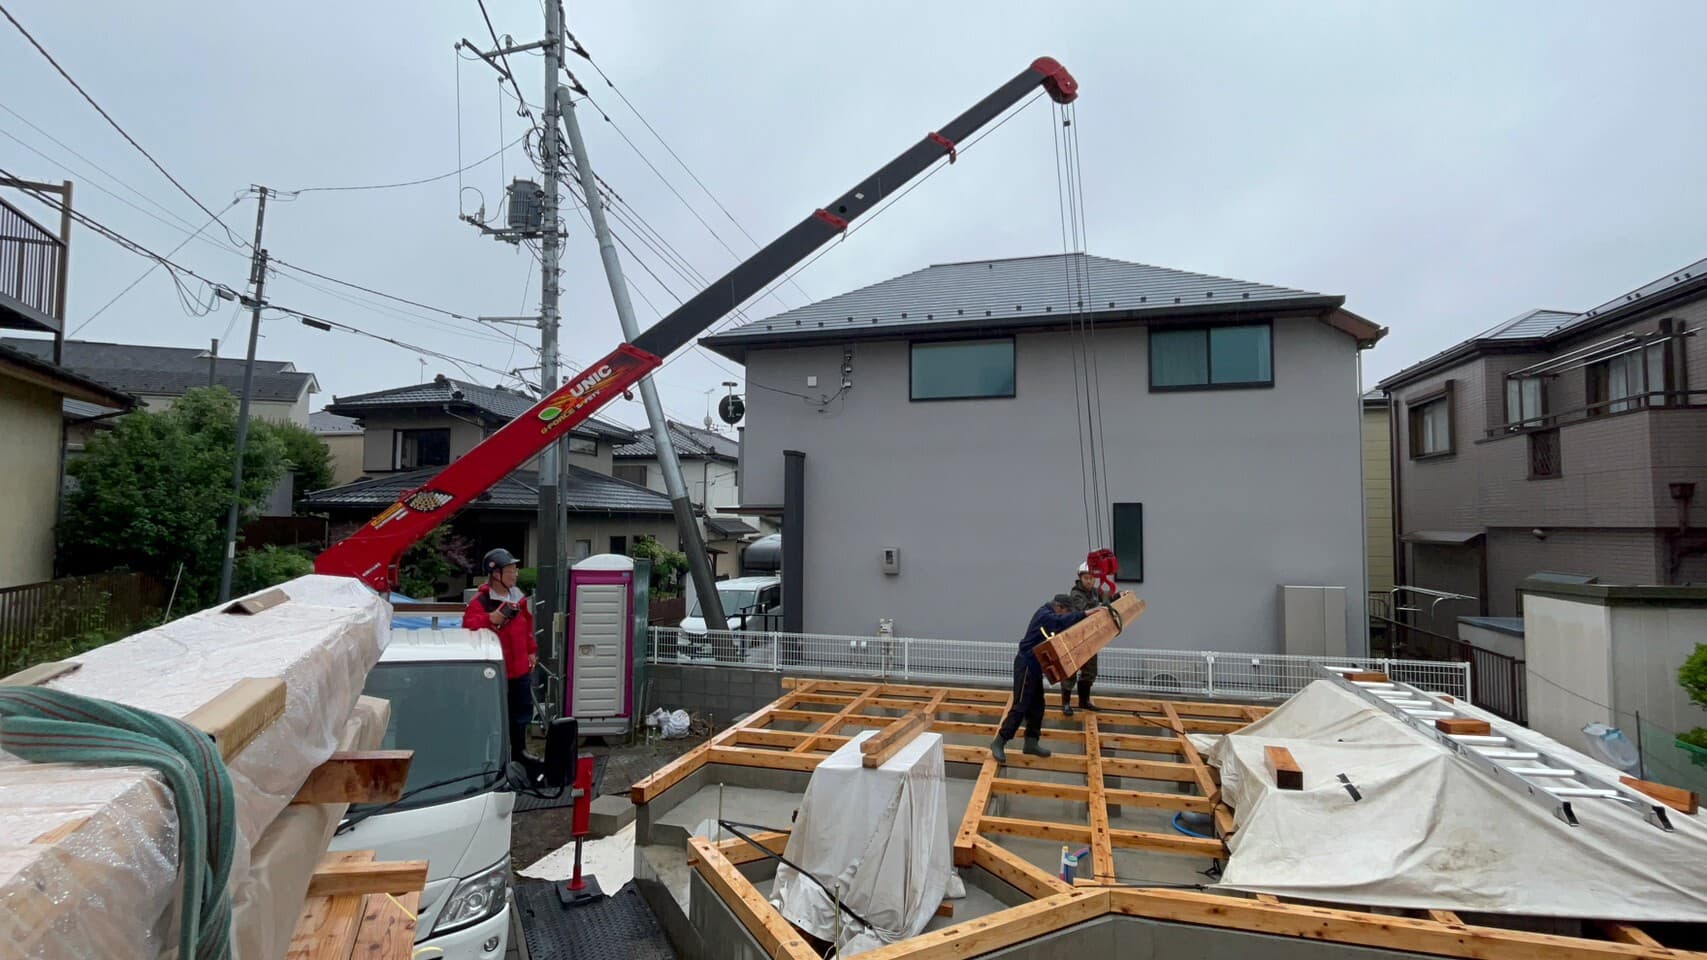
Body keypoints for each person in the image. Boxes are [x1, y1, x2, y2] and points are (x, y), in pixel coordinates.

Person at [990, 594, 1087, 763]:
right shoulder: (1045, 615)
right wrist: (1086, 613)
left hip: (1035, 667)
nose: (1066, 615)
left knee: (1037, 706)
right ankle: (999, 741)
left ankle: (1031, 742)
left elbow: (1064, 625)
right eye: (1067, 612)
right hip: (1026, 665)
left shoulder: (1051, 615)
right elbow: (1060, 622)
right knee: (1021, 705)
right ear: (1060, 607)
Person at [462, 547, 537, 763]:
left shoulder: (518, 599)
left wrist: (531, 651)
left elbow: (526, 627)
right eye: (511, 570)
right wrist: (490, 619)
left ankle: (519, 753)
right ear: (496, 574)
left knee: (521, 714)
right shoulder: (481, 602)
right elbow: (467, 626)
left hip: (519, 670)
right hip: (494, 672)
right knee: (489, 717)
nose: (515, 574)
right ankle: (484, 758)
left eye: (515, 569)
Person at [1060, 562, 1109, 716]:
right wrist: (1100, 605)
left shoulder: (1095, 592)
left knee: (1090, 671)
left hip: (1090, 638)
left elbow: (1106, 597)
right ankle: (1066, 703)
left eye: (1092, 578)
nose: (1089, 581)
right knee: (1070, 671)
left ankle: (1084, 701)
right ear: (1080, 578)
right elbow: (1085, 611)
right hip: (1076, 637)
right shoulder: (1076, 594)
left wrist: (1117, 595)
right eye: (1086, 578)